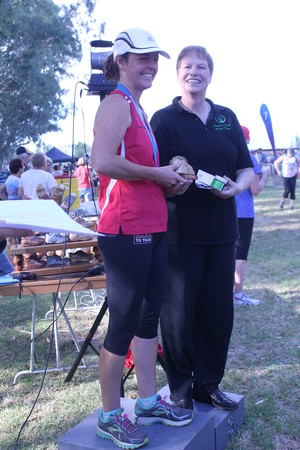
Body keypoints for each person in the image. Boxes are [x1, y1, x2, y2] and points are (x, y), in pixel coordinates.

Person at [91, 28, 193, 449]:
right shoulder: (116, 102)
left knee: (148, 320)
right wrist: (157, 174)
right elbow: (103, 162)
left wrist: (172, 181)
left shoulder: (137, 106)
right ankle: (110, 416)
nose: (151, 65)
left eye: (154, 58)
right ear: (120, 62)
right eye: (141, 58)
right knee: (124, 325)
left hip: (150, 227)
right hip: (123, 229)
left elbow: (139, 174)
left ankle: (148, 402)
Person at [150, 45, 254, 411]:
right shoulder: (163, 120)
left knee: (217, 313)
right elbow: (149, 172)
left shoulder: (226, 117)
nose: (195, 72)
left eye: (201, 66)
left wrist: (237, 188)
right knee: (178, 314)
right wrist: (168, 181)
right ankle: (180, 385)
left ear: (210, 73)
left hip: (223, 233)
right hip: (179, 234)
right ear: (178, 74)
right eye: (187, 66)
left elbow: (246, 168)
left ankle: (208, 383)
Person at [234, 126, 271, 306]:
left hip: (227, 210)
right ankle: (238, 294)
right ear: (247, 139)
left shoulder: (227, 154)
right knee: (240, 254)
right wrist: (265, 176)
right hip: (244, 213)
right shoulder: (249, 158)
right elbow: (255, 189)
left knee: (226, 253)